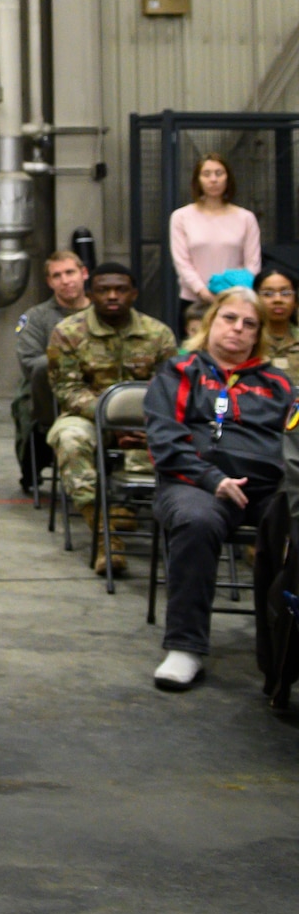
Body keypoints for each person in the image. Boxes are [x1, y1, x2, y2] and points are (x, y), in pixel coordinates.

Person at [147, 288, 290, 690]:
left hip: (269, 489)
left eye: (249, 324)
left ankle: (283, 651)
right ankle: (186, 648)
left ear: (258, 333)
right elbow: (165, 442)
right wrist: (214, 480)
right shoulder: (179, 371)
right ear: (211, 322)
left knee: (296, 522)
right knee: (196, 521)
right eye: (229, 319)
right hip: (197, 483)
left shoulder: (280, 384)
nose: (238, 330)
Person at [45, 262, 177, 575]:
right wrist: (110, 420)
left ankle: (127, 508)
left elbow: (169, 391)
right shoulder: (68, 333)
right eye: (104, 290)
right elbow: (67, 389)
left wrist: (140, 425)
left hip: (145, 421)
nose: (113, 296)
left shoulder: (158, 334)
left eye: (120, 289)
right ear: (91, 294)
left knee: (174, 439)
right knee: (69, 440)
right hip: (87, 415)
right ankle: (106, 536)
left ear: (134, 293)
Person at [12, 251, 92, 492]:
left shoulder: (103, 313)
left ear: (84, 273)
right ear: (49, 282)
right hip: (49, 393)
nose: (65, 280)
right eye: (57, 276)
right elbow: (29, 362)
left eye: (70, 273)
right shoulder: (36, 318)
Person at [170, 153, 261, 332]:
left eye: (219, 173)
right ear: (198, 180)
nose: (213, 179)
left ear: (228, 178)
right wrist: (204, 293)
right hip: (195, 302)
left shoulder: (245, 218)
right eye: (207, 174)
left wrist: (231, 295)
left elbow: (253, 264)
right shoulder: (181, 217)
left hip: (237, 302)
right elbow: (182, 262)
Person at [257, 267, 298, 370]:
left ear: (296, 301)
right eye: (268, 294)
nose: (277, 300)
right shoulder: (248, 340)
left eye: (285, 293)